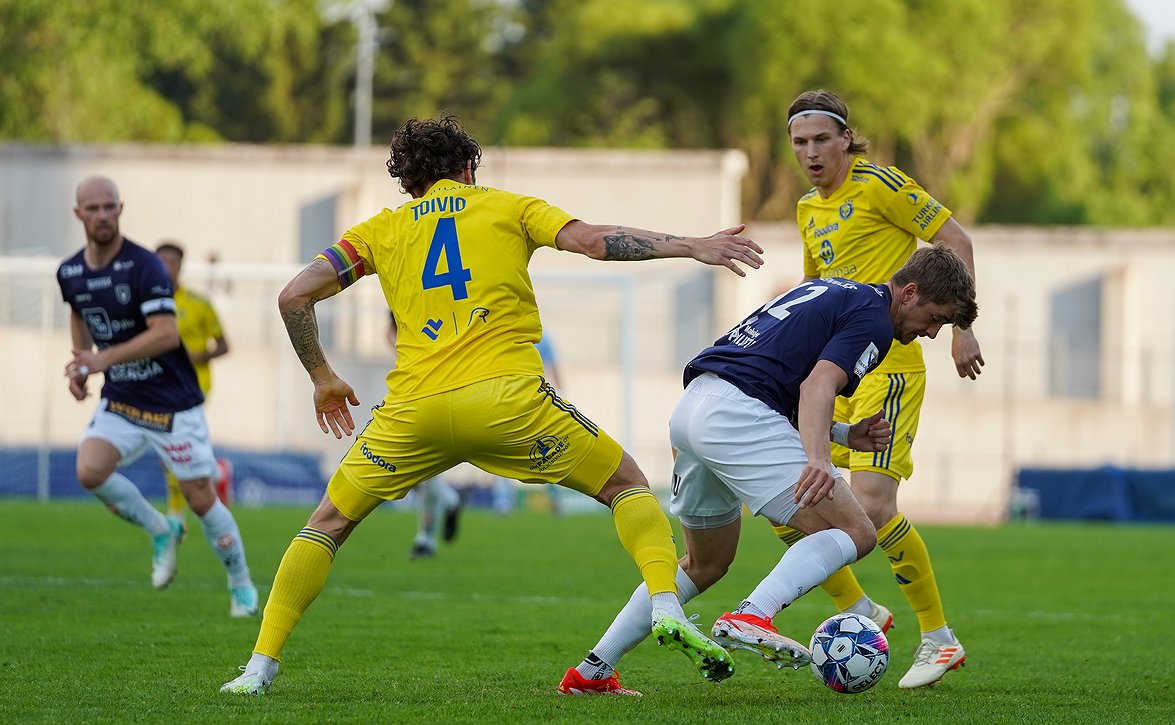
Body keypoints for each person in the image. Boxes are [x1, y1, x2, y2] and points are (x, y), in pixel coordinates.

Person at [219, 112, 764, 695]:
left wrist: (324, 377)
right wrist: (691, 244)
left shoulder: (379, 230)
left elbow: (293, 295)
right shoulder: (508, 206)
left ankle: (258, 669)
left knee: (326, 524)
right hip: (508, 403)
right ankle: (664, 604)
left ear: (408, 181)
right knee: (627, 484)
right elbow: (593, 242)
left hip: (414, 414)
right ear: (468, 167)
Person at [558, 245, 978, 696]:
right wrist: (818, 458)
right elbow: (817, 384)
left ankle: (592, 671)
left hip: (694, 408)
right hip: (740, 417)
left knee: (706, 562)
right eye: (935, 318)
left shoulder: (833, 289)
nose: (933, 333)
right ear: (910, 292)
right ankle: (753, 614)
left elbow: (779, 376)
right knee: (858, 532)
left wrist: (841, 435)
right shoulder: (876, 319)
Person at [772, 89, 985, 689]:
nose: (810, 153)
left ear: (846, 139)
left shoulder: (880, 184)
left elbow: (957, 242)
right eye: (799, 143)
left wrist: (961, 328)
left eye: (821, 140)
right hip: (836, 369)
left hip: (889, 364)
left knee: (870, 505)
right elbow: (814, 289)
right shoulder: (807, 208)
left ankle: (938, 639)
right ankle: (860, 611)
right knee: (788, 497)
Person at [57, 176, 259, 617]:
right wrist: (81, 365)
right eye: (93, 209)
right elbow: (79, 311)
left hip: (172, 403)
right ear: (79, 215)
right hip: (123, 397)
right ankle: (161, 529)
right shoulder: (69, 271)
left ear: (121, 209)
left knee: (201, 498)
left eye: (110, 207)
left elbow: (166, 335)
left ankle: (240, 581)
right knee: (89, 470)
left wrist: (101, 359)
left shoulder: (144, 266)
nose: (103, 215)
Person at [155, 241, 231, 531]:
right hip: (159, 386)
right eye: (159, 262)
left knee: (176, 446)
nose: (165, 268)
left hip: (194, 386)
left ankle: (175, 515)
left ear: (180, 266)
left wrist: (195, 356)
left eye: (170, 263)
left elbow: (224, 345)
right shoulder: (147, 304)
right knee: (171, 449)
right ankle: (215, 472)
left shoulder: (198, 303)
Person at [386, 311, 463, 559]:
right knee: (410, 474)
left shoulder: (444, 299)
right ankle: (451, 501)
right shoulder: (402, 295)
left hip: (439, 390)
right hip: (410, 386)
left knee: (424, 468)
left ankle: (425, 540)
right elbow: (389, 331)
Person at [492, 331, 564, 515]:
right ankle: (503, 500)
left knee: (545, 451)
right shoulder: (509, 333)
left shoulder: (541, 337)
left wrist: (561, 392)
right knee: (505, 450)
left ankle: (554, 497)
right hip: (513, 402)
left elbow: (552, 366)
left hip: (531, 403)